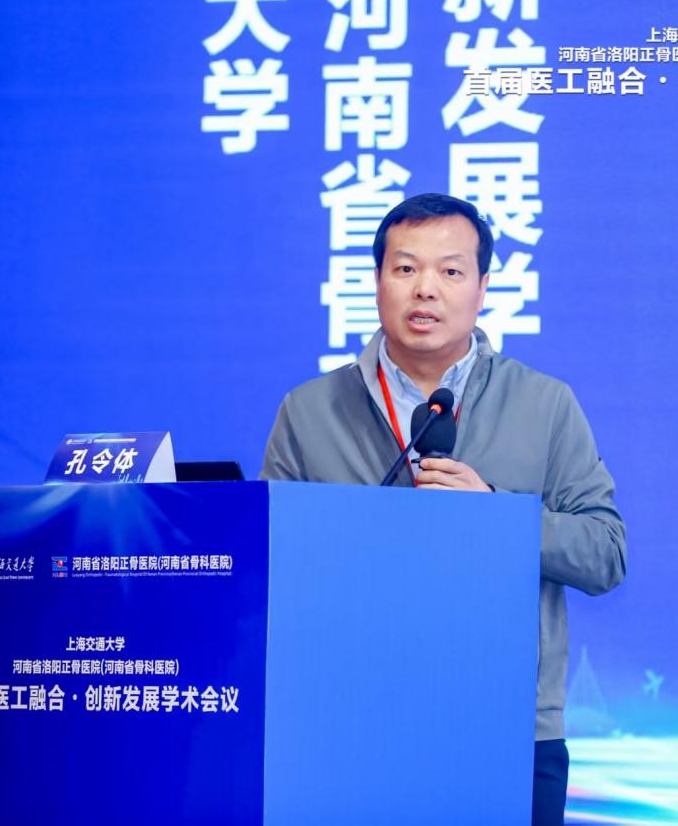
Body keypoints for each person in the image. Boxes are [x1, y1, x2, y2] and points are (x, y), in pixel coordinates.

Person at [261, 192, 626, 825]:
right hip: (346, 725)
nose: (425, 288)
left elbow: (606, 555)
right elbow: (267, 566)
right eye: (405, 268)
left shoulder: (545, 404)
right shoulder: (309, 410)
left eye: (450, 271)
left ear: (482, 288)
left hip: (506, 728)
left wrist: (497, 518)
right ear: (377, 281)